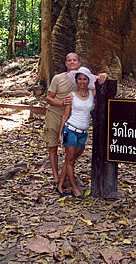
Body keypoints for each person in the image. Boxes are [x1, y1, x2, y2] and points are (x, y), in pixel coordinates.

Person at [44, 53, 106, 190]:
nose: (72, 62)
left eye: (74, 60)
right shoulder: (58, 78)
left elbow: (96, 81)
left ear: (79, 63)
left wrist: (103, 75)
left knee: (71, 155)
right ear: (65, 63)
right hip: (55, 114)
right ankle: (56, 178)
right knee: (53, 146)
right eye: (69, 60)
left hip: (75, 120)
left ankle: (63, 177)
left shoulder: (82, 79)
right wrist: (61, 102)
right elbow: (48, 98)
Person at [57, 67, 96, 198]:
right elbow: (65, 115)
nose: (82, 82)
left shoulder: (92, 93)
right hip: (70, 130)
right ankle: (74, 189)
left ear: (88, 80)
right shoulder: (71, 96)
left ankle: (60, 184)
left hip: (83, 132)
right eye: (79, 79)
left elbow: (102, 78)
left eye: (85, 79)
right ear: (76, 80)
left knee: (70, 159)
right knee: (71, 161)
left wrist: (102, 75)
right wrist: (60, 133)